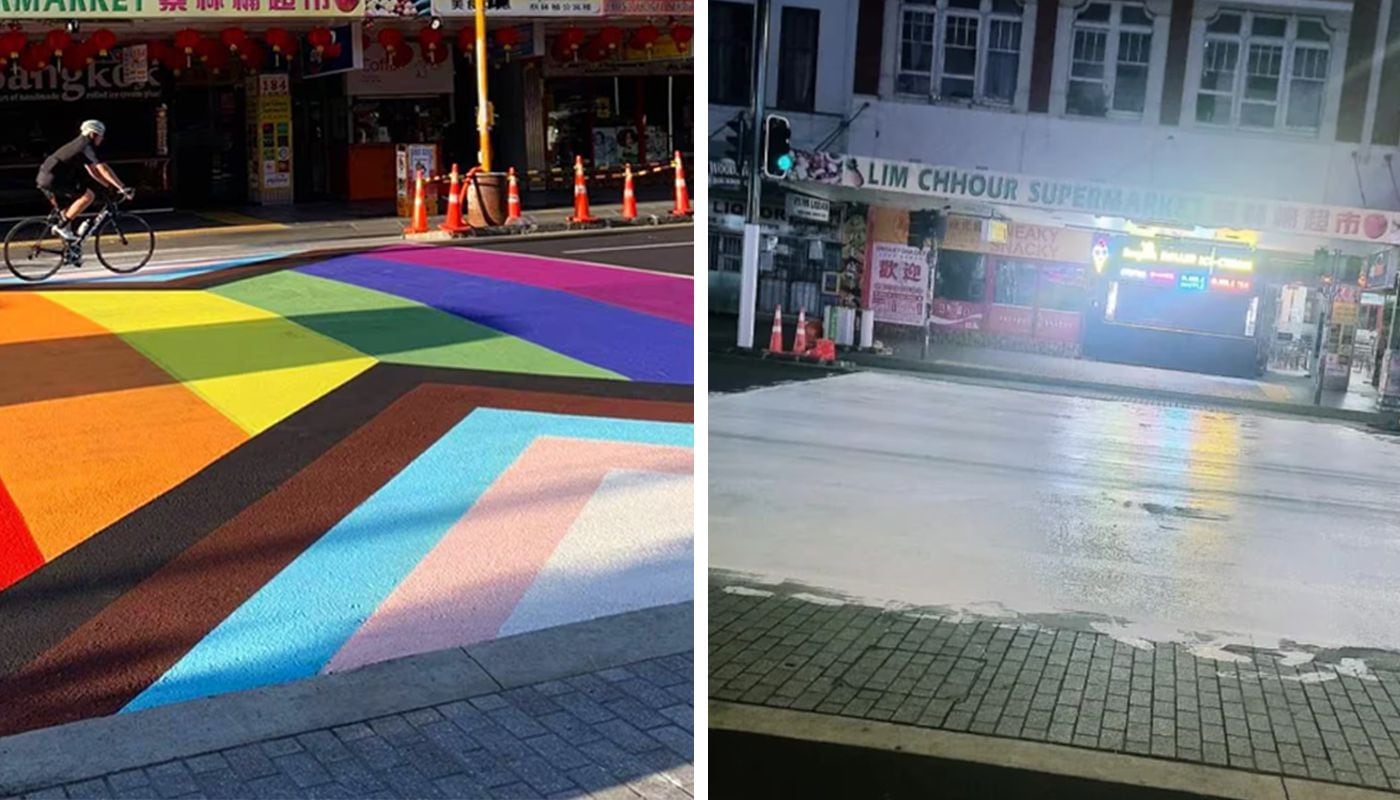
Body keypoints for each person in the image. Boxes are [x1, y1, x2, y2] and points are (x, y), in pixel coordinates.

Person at [36, 120, 134, 243]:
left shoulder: (80, 145)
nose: (102, 139)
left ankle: (70, 252)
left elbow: (92, 171)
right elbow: (103, 168)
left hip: (46, 177)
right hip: (54, 178)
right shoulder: (87, 145)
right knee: (88, 196)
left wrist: (108, 186)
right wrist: (122, 187)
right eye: (101, 136)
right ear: (93, 134)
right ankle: (61, 227)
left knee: (68, 212)